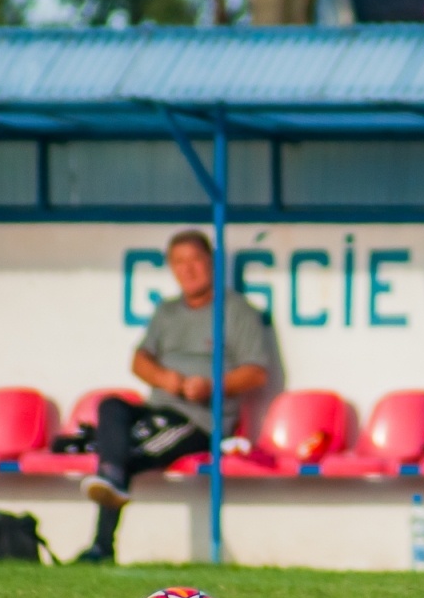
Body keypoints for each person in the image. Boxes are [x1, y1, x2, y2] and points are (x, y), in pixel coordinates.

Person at [76, 230, 275, 564]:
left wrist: (210, 386)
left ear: (210, 263)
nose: (188, 269)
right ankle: (110, 483)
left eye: (195, 260)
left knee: (124, 456)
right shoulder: (166, 312)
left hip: (199, 421)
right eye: (179, 262)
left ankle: (101, 545)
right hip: (160, 409)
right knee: (110, 406)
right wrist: (165, 378)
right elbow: (139, 360)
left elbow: (257, 372)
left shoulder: (237, 311)